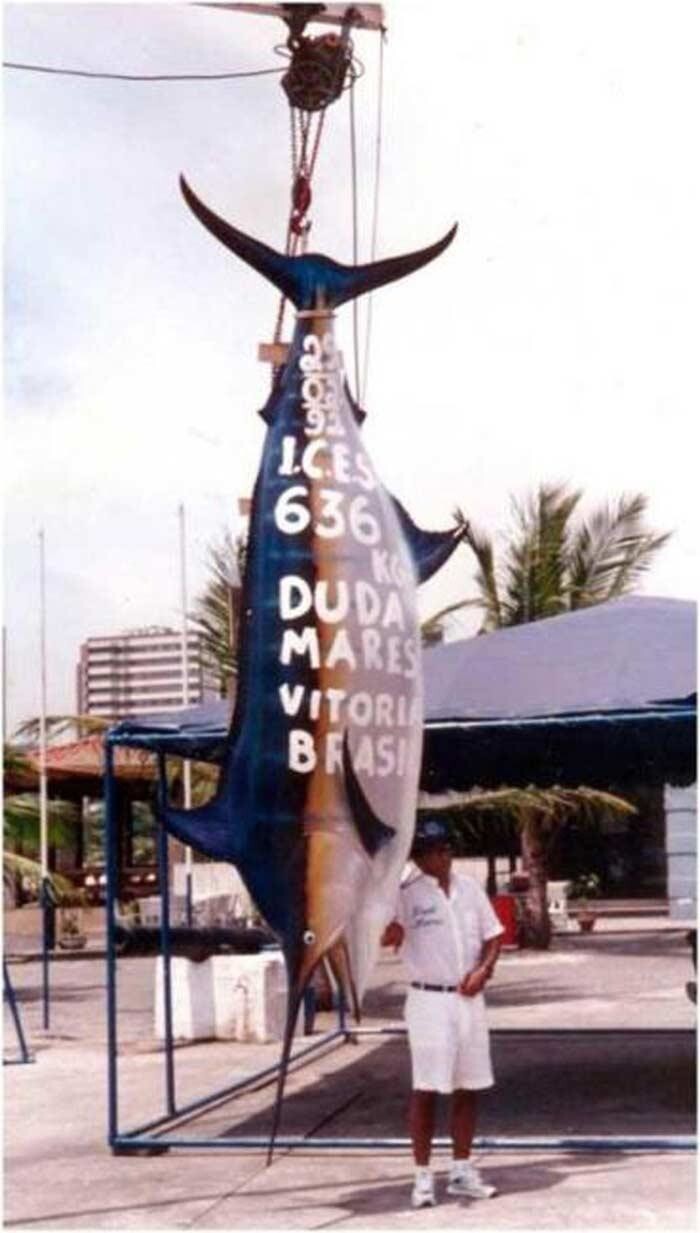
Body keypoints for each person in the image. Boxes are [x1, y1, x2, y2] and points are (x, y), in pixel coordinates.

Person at [381, 816, 504, 1208]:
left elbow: (494, 936)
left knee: (469, 1087)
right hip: (428, 1000)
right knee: (428, 1088)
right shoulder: (406, 893)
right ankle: (421, 1177)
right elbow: (387, 934)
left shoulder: (469, 888)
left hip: (468, 999)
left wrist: (484, 971)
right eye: (435, 849)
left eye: (448, 847)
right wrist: (388, 926)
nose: (444, 855)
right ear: (419, 856)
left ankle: (462, 1170)